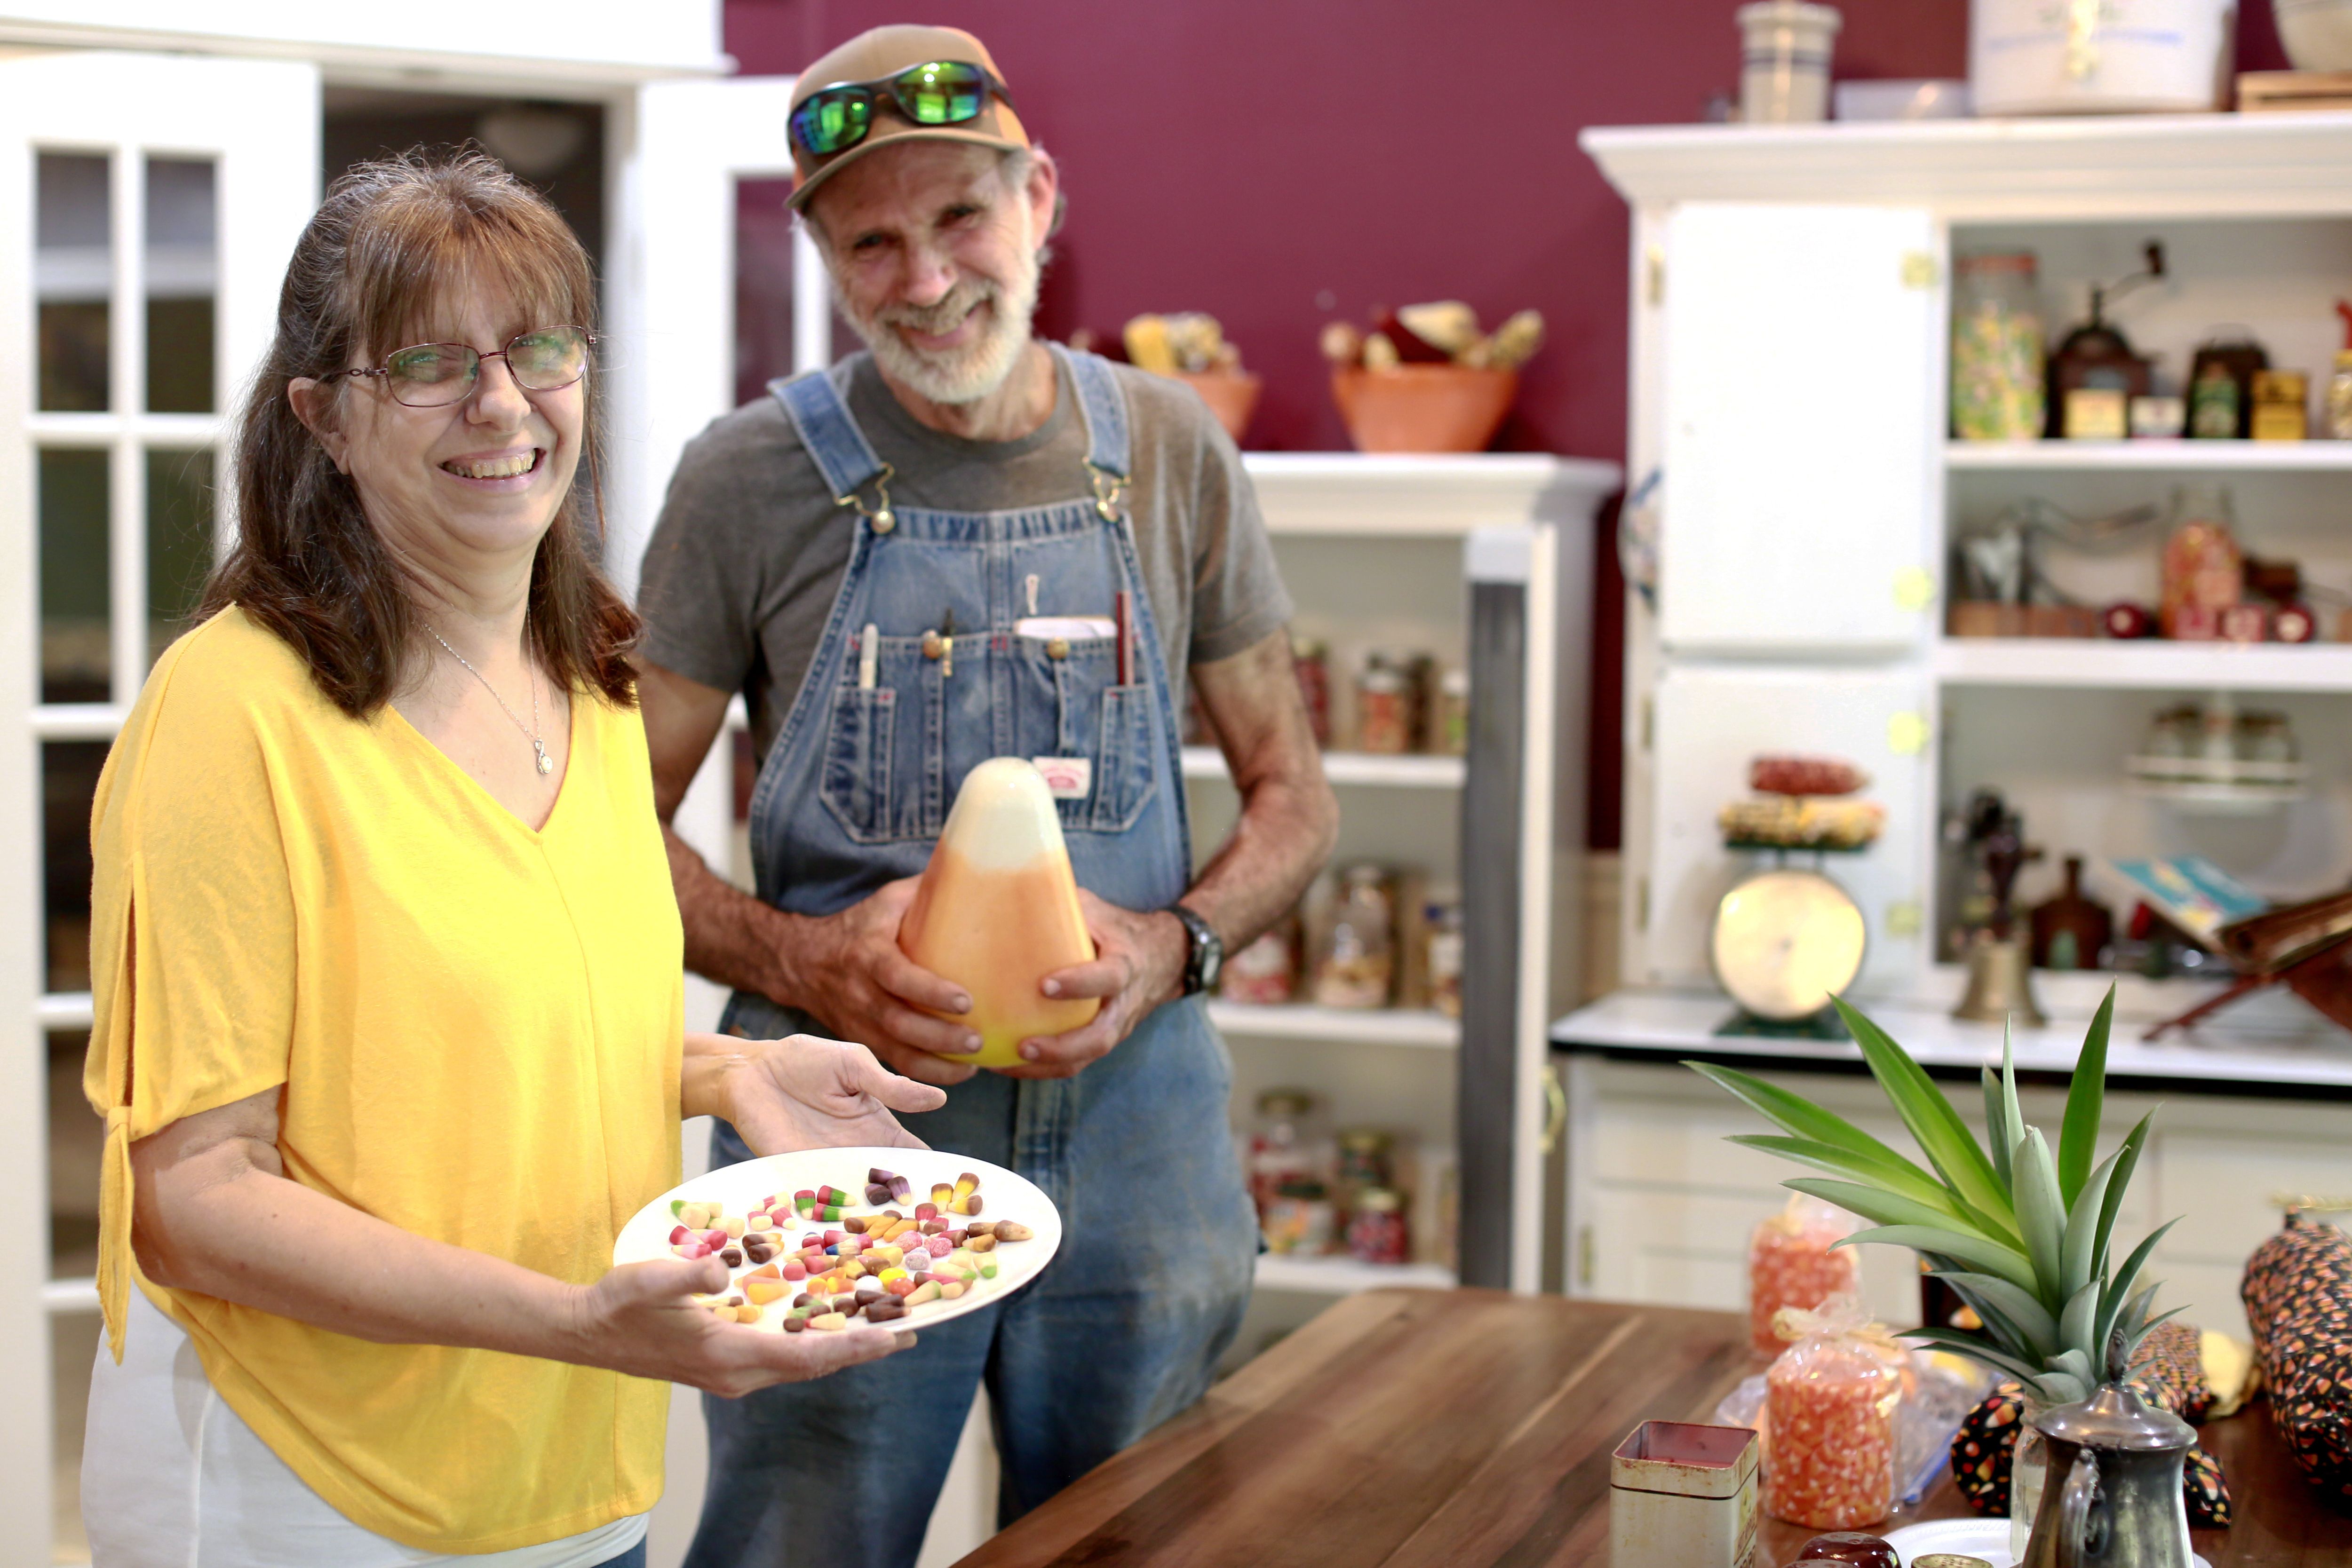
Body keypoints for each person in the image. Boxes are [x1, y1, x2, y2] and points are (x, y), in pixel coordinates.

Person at [77, 152, 946, 1568]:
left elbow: (460, 1039)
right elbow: (195, 1200)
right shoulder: (233, 712)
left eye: (538, 346)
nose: (500, 400)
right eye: (425, 362)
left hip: (576, 1465)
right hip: (313, 1494)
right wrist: (574, 1322)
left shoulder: (594, 681)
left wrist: (729, 1070)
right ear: (324, 422)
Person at [634, 23, 1340, 1568]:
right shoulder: (744, 480)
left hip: (1140, 1123)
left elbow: (1294, 792)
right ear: (822, 251)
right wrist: (801, 959)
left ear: (1041, 200)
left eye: (961, 214)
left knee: (1131, 1538)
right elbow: (603, 835)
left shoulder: (1166, 448)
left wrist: (1173, 947)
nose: (928, 272)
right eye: (872, 237)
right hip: (840, 1127)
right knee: (798, 1543)